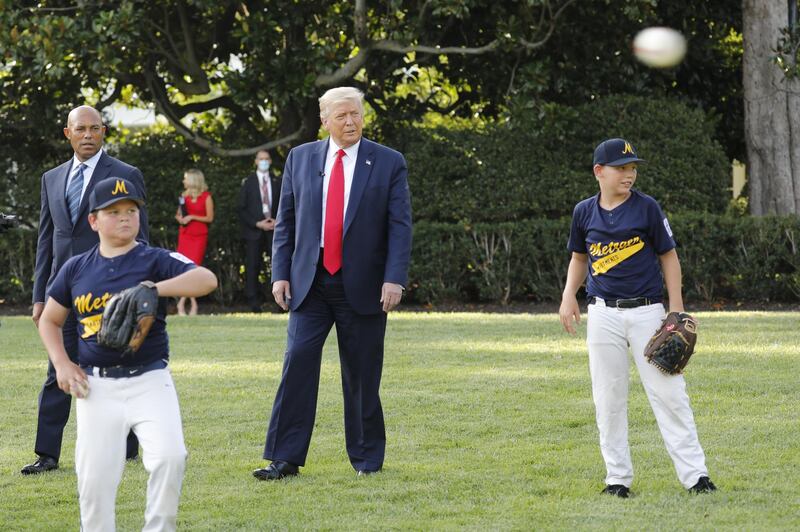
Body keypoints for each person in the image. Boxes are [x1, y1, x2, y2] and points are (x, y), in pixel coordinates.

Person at [37, 177, 218, 531]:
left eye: (131, 210)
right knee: (94, 481)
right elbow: (50, 320)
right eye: (114, 211)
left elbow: (206, 279)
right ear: (93, 220)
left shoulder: (155, 258)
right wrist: (62, 364)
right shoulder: (76, 268)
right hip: (96, 387)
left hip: (150, 379)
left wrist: (154, 287)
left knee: (170, 456)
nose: (125, 217)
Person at [252, 86, 412, 480]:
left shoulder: (388, 162)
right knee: (297, 365)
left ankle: (367, 460)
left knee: (362, 374)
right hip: (311, 282)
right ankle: (284, 459)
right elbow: (286, 221)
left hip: (366, 286)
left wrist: (394, 279)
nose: (350, 121)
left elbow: (400, 226)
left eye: (355, 114)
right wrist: (280, 273)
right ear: (324, 120)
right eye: (340, 116)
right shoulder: (301, 158)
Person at [558, 138, 717, 497]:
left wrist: (675, 309)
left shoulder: (646, 208)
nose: (629, 174)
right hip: (602, 315)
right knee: (608, 397)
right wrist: (569, 294)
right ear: (600, 171)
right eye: (621, 168)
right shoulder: (584, 211)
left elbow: (669, 257)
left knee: (670, 394)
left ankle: (696, 476)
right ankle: (617, 479)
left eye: (632, 168)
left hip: (648, 312)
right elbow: (580, 258)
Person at [23, 105, 147, 475]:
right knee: (56, 372)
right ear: (68, 133)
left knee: (116, 367)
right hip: (63, 295)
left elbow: (140, 235)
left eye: (95, 128)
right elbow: (47, 241)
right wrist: (38, 296)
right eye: (81, 129)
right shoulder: (52, 178)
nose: (88, 135)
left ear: (104, 132)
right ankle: (47, 454)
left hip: (111, 292)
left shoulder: (126, 174)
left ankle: (126, 449)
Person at [238, 150, 281, 312]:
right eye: (260, 159)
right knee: (253, 265)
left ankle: (279, 302)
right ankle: (254, 303)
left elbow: (286, 203)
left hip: (275, 230)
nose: (263, 161)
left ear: (270, 161)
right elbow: (241, 209)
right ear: (256, 161)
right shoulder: (248, 182)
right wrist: (257, 223)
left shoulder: (277, 180)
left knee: (278, 264)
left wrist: (278, 221)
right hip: (254, 231)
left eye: (266, 159)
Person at [175, 168, 214, 315]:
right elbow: (178, 214)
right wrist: (181, 219)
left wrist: (192, 217)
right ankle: (191, 303)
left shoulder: (206, 197)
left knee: (193, 267)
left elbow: (209, 218)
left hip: (199, 235)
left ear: (193, 180)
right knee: (184, 268)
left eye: (186, 178)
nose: (184, 181)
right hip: (185, 234)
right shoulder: (183, 197)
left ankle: (182, 303)